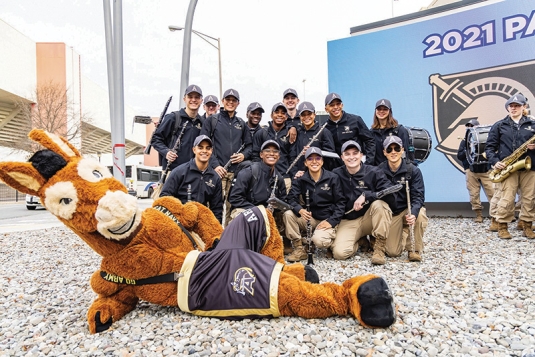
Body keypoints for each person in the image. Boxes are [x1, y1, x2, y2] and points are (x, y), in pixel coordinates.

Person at [332, 141, 394, 264]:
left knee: (380, 205)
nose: (352, 157)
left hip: (370, 219)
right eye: (347, 154)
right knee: (339, 254)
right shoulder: (335, 174)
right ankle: (360, 241)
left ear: (362, 155)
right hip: (348, 220)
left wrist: (367, 195)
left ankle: (379, 248)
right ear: (342, 157)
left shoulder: (374, 172)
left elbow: (390, 194)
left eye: (355, 153)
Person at [485, 93, 535, 239]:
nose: (513, 109)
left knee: (530, 198)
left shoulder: (532, 125)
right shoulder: (499, 125)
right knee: (506, 198)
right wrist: (495, 161)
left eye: (517, 106)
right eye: (511, 106)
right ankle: (502, 226)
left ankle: (527, 225)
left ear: (523, 107)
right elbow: (489, 147)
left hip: (530, 167)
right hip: (508, 166)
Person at [200, 88, 252, 226]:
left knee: (232, 206)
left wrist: (243, 155)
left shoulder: (241, 123)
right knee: (214, 206)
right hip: (217, 172)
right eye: (227, 100)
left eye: (233, 100)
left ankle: (228, 237)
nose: (230, 102)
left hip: (236, 173)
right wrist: (215, 165)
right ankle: (212, 237)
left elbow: (250, 146)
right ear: (222, 101)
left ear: (238, 103)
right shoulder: (212, 120)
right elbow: (203, 146)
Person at [283, 147, 345, 262]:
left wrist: (331, 221)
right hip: (309, 218)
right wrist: (299, 210)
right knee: (288, 214)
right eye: (310, 159)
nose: (314, 161)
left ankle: (330, 243)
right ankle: (299, 249)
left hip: (326, 219)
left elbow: (341, 203)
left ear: (322, 161)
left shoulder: (333, 178)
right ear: (305, 163)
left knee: (320, 241)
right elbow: (291, 198)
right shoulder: (300, 178)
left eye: (317, 158)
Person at [378, 136, 427, 262]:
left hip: (408, 209)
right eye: (389, 149)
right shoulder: (379, 170)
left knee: (421, 214)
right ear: (384, 152)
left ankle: (413, 249)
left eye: (396, 148)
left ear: (402, 150)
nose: (393, 152)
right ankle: (403, 234)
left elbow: (419, 197)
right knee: (393, 252)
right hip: (393, 212)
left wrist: (414, 214)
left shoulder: (413, 171)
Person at [160, 135, 223, 222]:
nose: (204, 151)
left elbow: (217, 209)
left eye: (208, 148)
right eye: (200, 148)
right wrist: (178, 216)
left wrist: (216, 230)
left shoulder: (215, 178)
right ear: (194, 150)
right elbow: (164, 198)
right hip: (178, 220)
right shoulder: (179, 172)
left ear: (211, 151)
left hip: (201, 223)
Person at [228, 140, 287, 222]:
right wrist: (258, 211)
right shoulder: (249, 171)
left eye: (275, 151)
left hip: (267, 214)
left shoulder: (279, 177)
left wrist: (277, 207)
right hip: (246, 210)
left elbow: (282, 200)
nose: (272, 154)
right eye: (267, 150)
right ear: (261, 155)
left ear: (279, 156)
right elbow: (234, 198)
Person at [151, 84, 204, 172]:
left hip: (194, 172)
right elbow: (155, 139)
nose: (193, 100)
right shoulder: (173, 117)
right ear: (184, 99)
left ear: (201, 100)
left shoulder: (202, 122)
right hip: (172, 171)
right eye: (190, 97)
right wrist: (166, 152)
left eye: (197, 97)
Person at [456, 119, 494, 223]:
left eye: (472, 126)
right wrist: (468, 149)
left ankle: (496, 216)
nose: (470, 128)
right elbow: (459, 156)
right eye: (468, 126)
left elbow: (491, 153)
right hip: (471, 171)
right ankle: (478, 215)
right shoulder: (464, 141)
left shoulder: (486, 139)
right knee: (474, 194)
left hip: (486, 170)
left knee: (492, 193)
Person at [252, 102, 295, 192]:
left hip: (284, 177)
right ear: (271, 115)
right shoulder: (261, 133)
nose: (280, 115)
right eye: (277, 112)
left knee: (283, 204)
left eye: (283, 113)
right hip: (264, 178)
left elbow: (292, 157)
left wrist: (291, 176)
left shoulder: (290, 134)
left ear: (286, 117)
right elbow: (255, 156)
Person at [324, 92, 376, 167]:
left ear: (342, 105)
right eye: (332, 105)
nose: (335, 107)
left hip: (357, 166)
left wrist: (368, 163)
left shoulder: (355, 120)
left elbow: (370, 141)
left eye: (338, 104)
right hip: (338, 170)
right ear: (326, 109)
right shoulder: (324, 127)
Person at [292, 101, 335, 178]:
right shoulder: (298, 132)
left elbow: (331, 154)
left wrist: (313, 151)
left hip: (320, 176)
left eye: (309, 114)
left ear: (314, 115)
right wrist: (295, 172)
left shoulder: (323, 131)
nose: (306, 117)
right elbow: (293, 155)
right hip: (301, 176)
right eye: (303, 115)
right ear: (300, 117)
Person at [370, 99, 411, 165]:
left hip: (395, 171)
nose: (381, 111)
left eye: (385, 109)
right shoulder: (372, 132)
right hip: (378, 172)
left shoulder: (399, 130)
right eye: (379, 109)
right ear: (375, 111)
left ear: (390, 111)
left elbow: (405, 153)